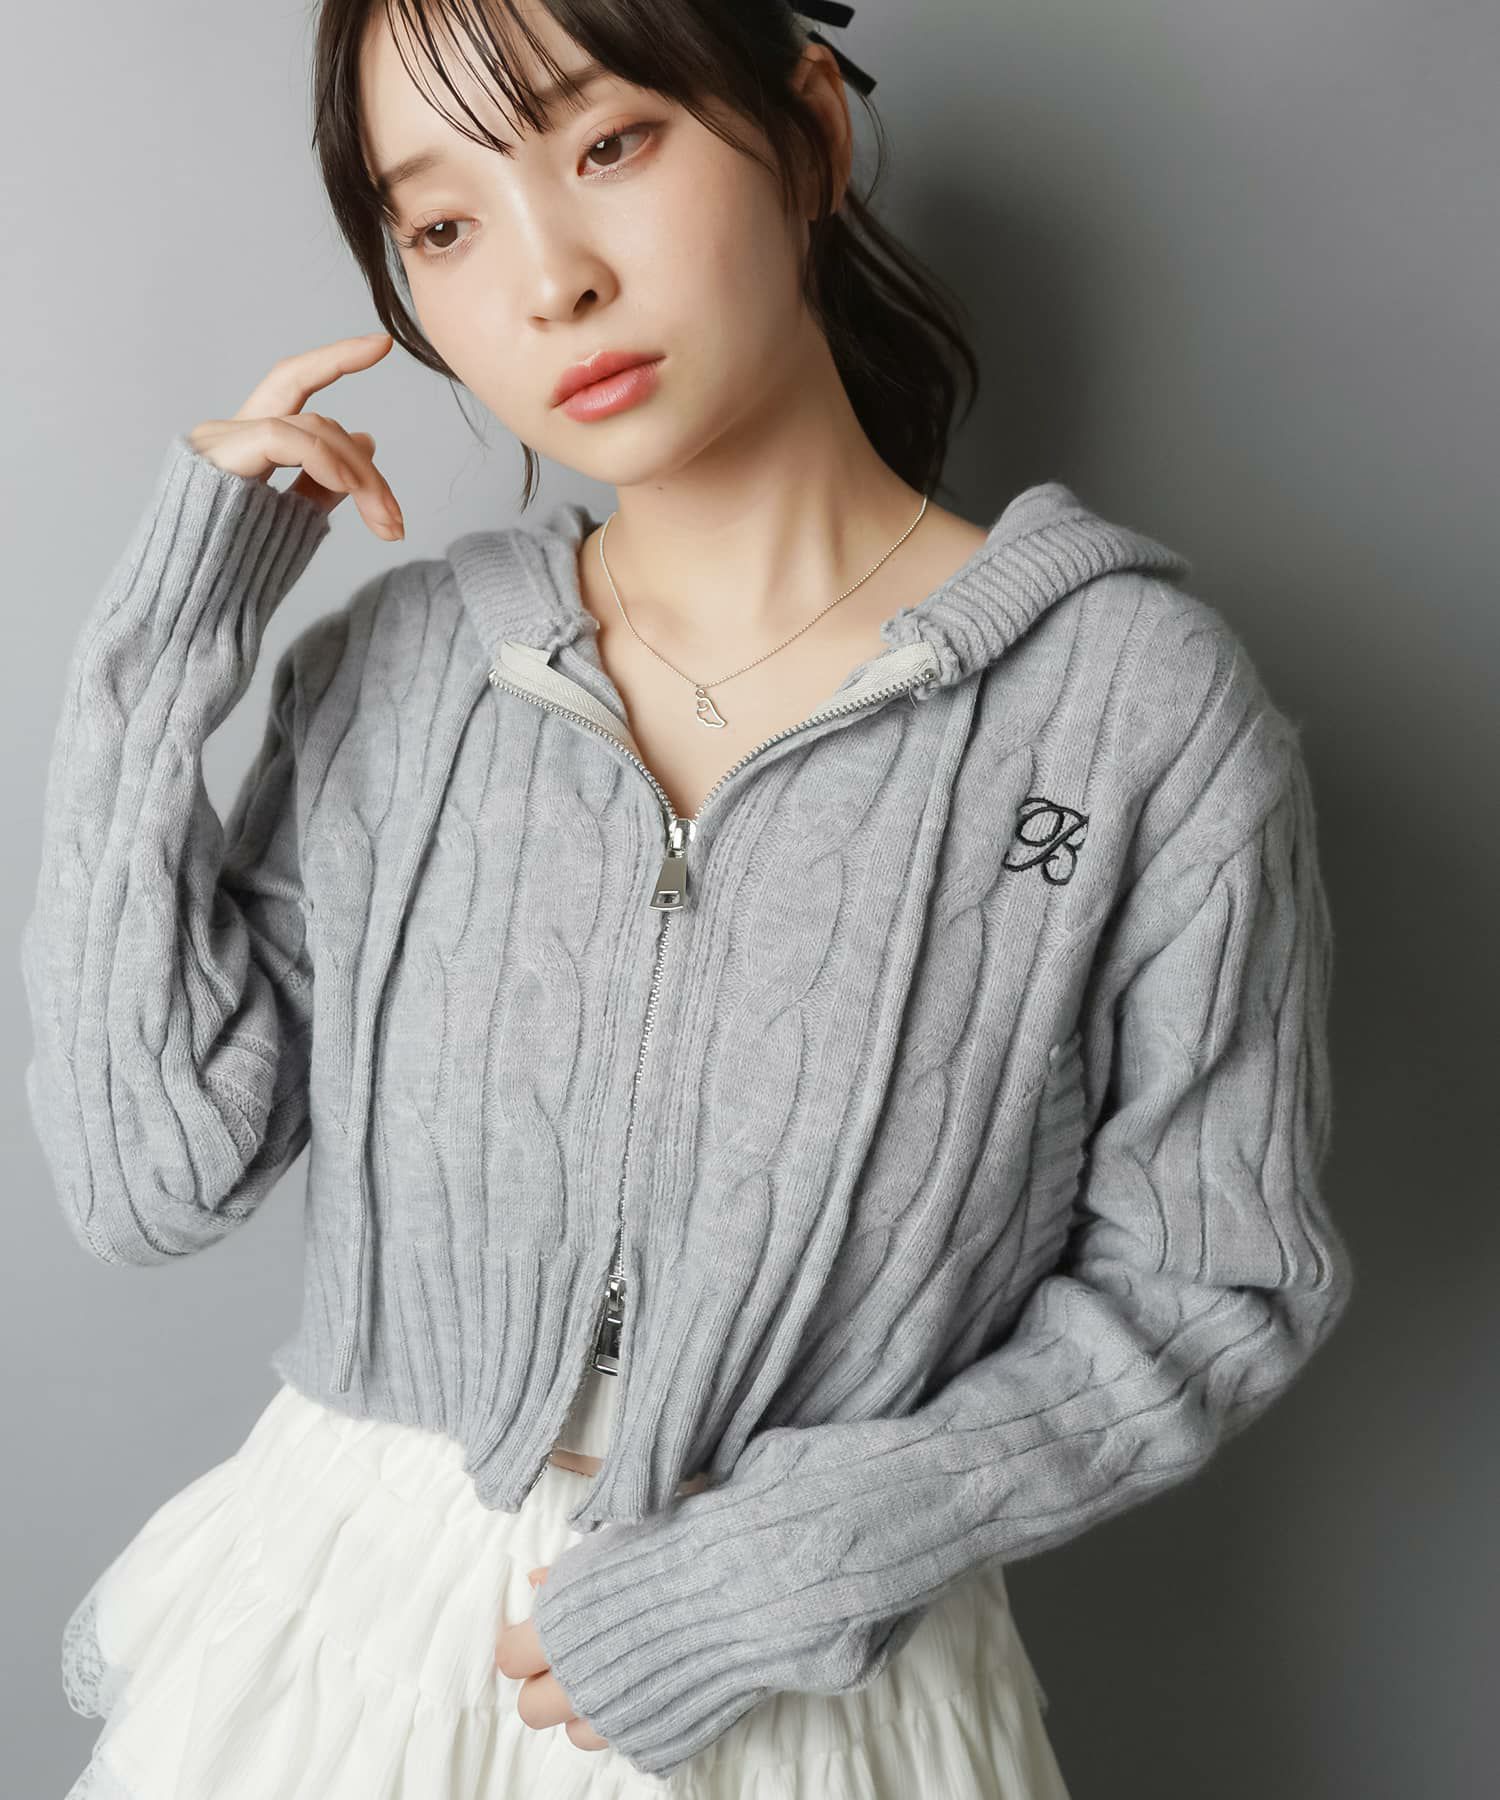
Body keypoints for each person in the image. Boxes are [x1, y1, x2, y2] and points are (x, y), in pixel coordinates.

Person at [25, 2, 1354, 1795]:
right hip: (351, 1663)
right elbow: (149, 1176)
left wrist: (796, 1564)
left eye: (609, 145)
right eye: (444, 223)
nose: (549, 280)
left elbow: (1216, 1278)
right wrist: (163, 656)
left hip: (808, 1696)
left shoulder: (1129, 711)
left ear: (808, 135)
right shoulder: (402, 677)